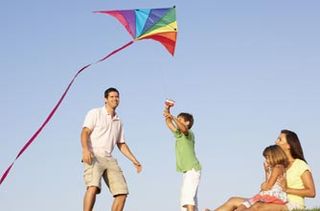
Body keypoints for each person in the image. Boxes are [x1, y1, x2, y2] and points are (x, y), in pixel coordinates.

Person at [208, 129, 316, 211]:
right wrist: (266, 172)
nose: (276, 141)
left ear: (288, 145)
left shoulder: (300, 165)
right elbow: (270, 186)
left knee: (257, 206)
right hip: (274, 199)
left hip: (292, 204)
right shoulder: (278, 164)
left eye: (280, 139)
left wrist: (287, 189)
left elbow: (311, 192)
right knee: (233, 200)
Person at [81, 87, 142, 211]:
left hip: (109, 158)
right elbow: (85, 132)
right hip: (94, 155)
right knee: (93, 187)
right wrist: (85, 150)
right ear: (105, 99)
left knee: (122, 193)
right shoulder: (95, 113)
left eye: (117, 97)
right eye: (112, 97)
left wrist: (134, 160)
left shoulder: (118, 121)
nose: (115, 99)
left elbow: (121, 144)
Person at [163, 101, 202, 211]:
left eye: (180, 120)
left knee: (188, 198)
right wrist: (167, 110)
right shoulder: (179, 135)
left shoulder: (189, 133)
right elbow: (169, 124)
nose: (177, 122)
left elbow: (183, 128)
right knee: (187, 199)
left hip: (192, 169)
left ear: (187, 123)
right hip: (187, 171)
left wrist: (173, 116)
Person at [235, 145, 289, 211]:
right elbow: (267, 181)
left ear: (275, 156)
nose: (266, 160)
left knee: (248, 206)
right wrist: (266, 171)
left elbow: (268, 186)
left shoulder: (277, 168)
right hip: (268, 192)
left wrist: (263, 186)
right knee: (243, 206)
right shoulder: (275, 168)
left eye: (268, 158)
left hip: (274, 195)